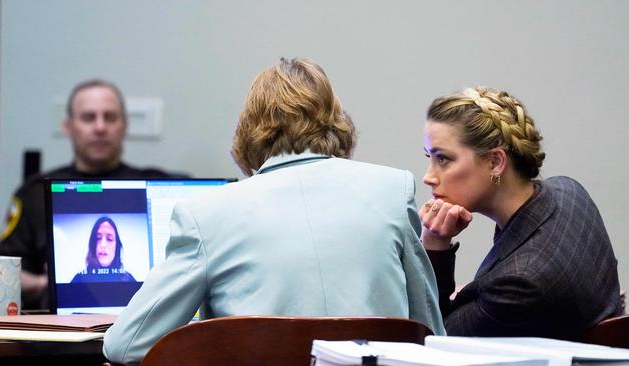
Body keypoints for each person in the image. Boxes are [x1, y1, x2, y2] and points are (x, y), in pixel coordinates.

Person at [103, 58, 445, 364]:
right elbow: (430, 333)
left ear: (248, 130)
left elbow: (127, 345)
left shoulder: (206, 213)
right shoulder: (392, 189)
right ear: (337, 122)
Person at [419, 86, 621, 340]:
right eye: (429, 156)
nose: (428, 177)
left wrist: (435, 244)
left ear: (495, 162)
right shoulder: (568, 191)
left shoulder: (520, 283)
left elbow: (433, 338)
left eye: (443, 159)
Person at [0, 79, 186, 310]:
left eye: (110, 117)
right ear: (68, 126)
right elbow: (3, 273)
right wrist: (48, 283)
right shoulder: (34, 193)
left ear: (124, 126)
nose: (100, 127)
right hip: (58, 335)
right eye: (88, 117)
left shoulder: (159, 184)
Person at [71, 216, 136, 283]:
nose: (103, 245)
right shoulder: (79, 279)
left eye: (109, 239)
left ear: (117, 247)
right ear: (92, 244)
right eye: (98, 238)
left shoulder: (128, 279)